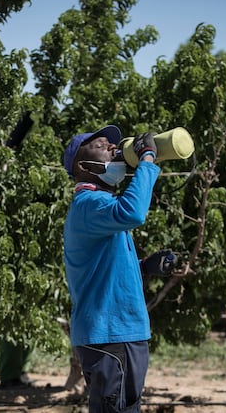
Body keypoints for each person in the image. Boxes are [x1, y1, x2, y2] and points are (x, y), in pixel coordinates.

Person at [63, 125, 176, 412]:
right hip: (111, 334)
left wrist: (144, 267)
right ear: (81, 165)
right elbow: (134, 212)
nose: (114, 149)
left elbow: (103, 270)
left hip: (116, 333)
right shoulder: (90, 203)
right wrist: (148, 158)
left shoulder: (99, 207)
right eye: (102, 145)